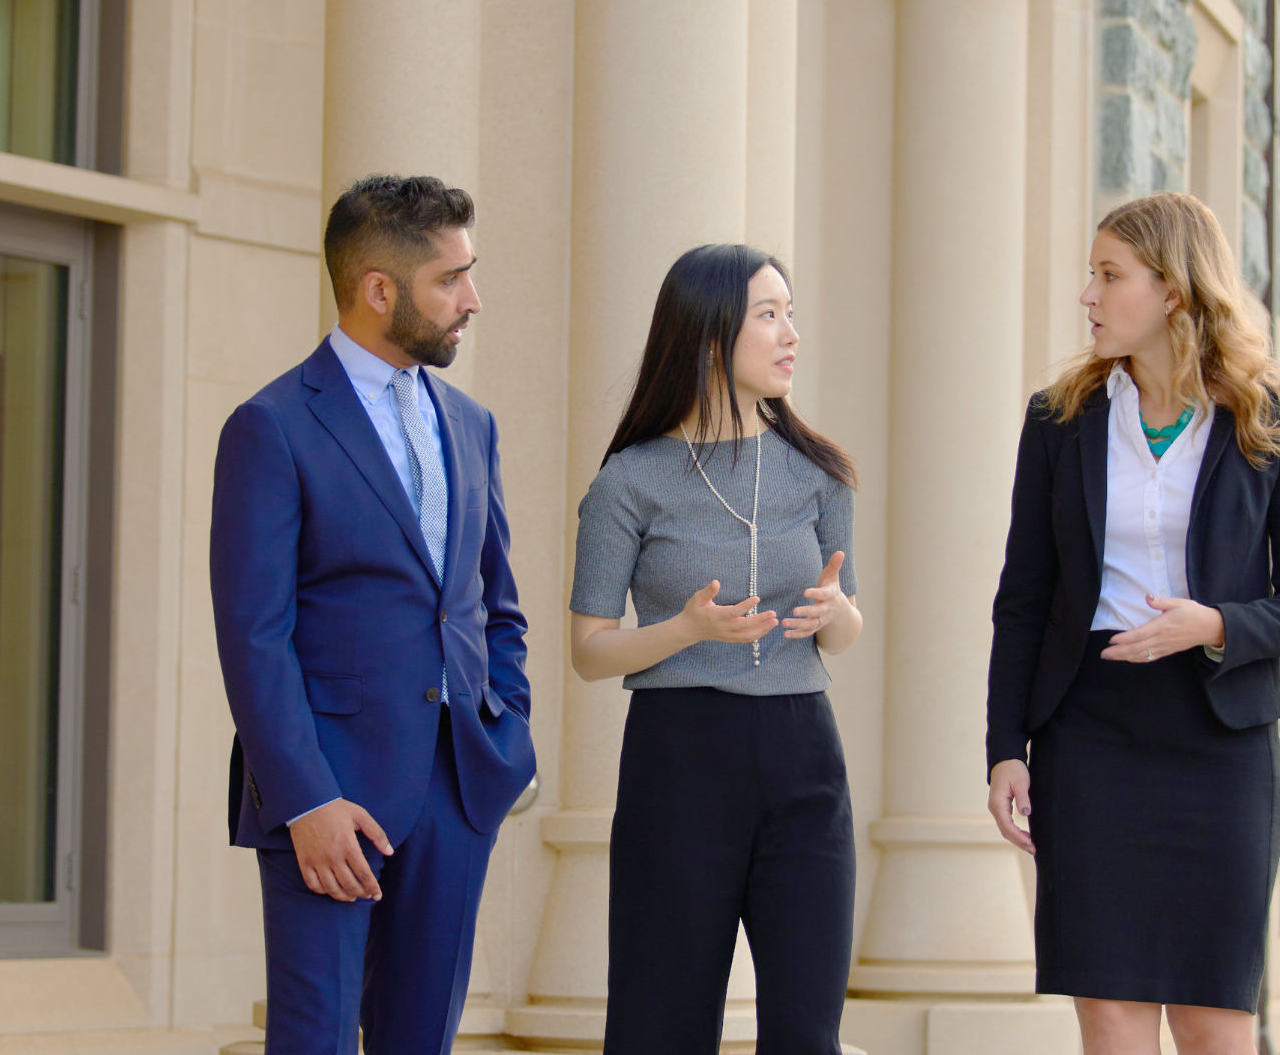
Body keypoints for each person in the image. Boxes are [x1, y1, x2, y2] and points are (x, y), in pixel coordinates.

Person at [984, 192, 1280, 1055]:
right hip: (1090, 736)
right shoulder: (1059, 421)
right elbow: (1023, 596)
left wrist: (1213, 623)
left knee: (1214, 1021)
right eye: (1093, 275)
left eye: (1110, 275)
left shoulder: (1276, 417)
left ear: (1173, 290)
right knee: (1109, 1016)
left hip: (1219, 740)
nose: (1090, 296)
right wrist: (1004, 747)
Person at [209, 174, 536, 1055]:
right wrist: (305, 798)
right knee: (314, 1041)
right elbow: (252, 633)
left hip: (459, 787)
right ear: (378, 289)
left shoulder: (473, 425)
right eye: (450, 280)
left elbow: (493, 604)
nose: (473, 300)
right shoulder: (270, 426)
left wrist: (506, 737)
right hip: (331, 798)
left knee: (420, 1041)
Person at [568, 244, 863, 1054]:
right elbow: (589, 651)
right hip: (680, 759)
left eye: (790, 312)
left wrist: (834, 609)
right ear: (706, 339)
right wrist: (686, 630)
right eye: (767, 315)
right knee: (659, 1026)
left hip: (805, 756)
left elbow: (846, 627)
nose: (790, 332)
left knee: (807, 1031)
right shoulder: (629, 481)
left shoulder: (820, 472)